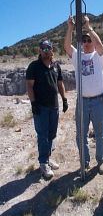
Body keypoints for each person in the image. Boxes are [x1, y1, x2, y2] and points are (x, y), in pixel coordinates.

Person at [64, 15, 103, 174]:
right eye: (84, 40)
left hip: (98, 102)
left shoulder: (99, 56)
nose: (87, 43)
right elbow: (67, 46)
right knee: (81, 135)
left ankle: (101, 161)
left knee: (100, 133)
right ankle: (85, 162)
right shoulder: (77, 56)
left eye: (89, 40)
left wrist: (88, 27)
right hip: (82, 101)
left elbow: (100, 45)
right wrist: (70, 27)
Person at [26, 39, 68, 178]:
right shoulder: (34, 66)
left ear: (52, 50)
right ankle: (43, 163)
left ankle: (48, 158)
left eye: (48, 48)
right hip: (41, 107)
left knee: (51, 134)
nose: (45, 50)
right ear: (40, 50)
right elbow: (29, 86)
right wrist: (33, 104)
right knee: (42, 135)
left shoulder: (56, 66)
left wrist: (64, 99)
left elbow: (60, 84)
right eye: (43, 48)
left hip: (54, 106)